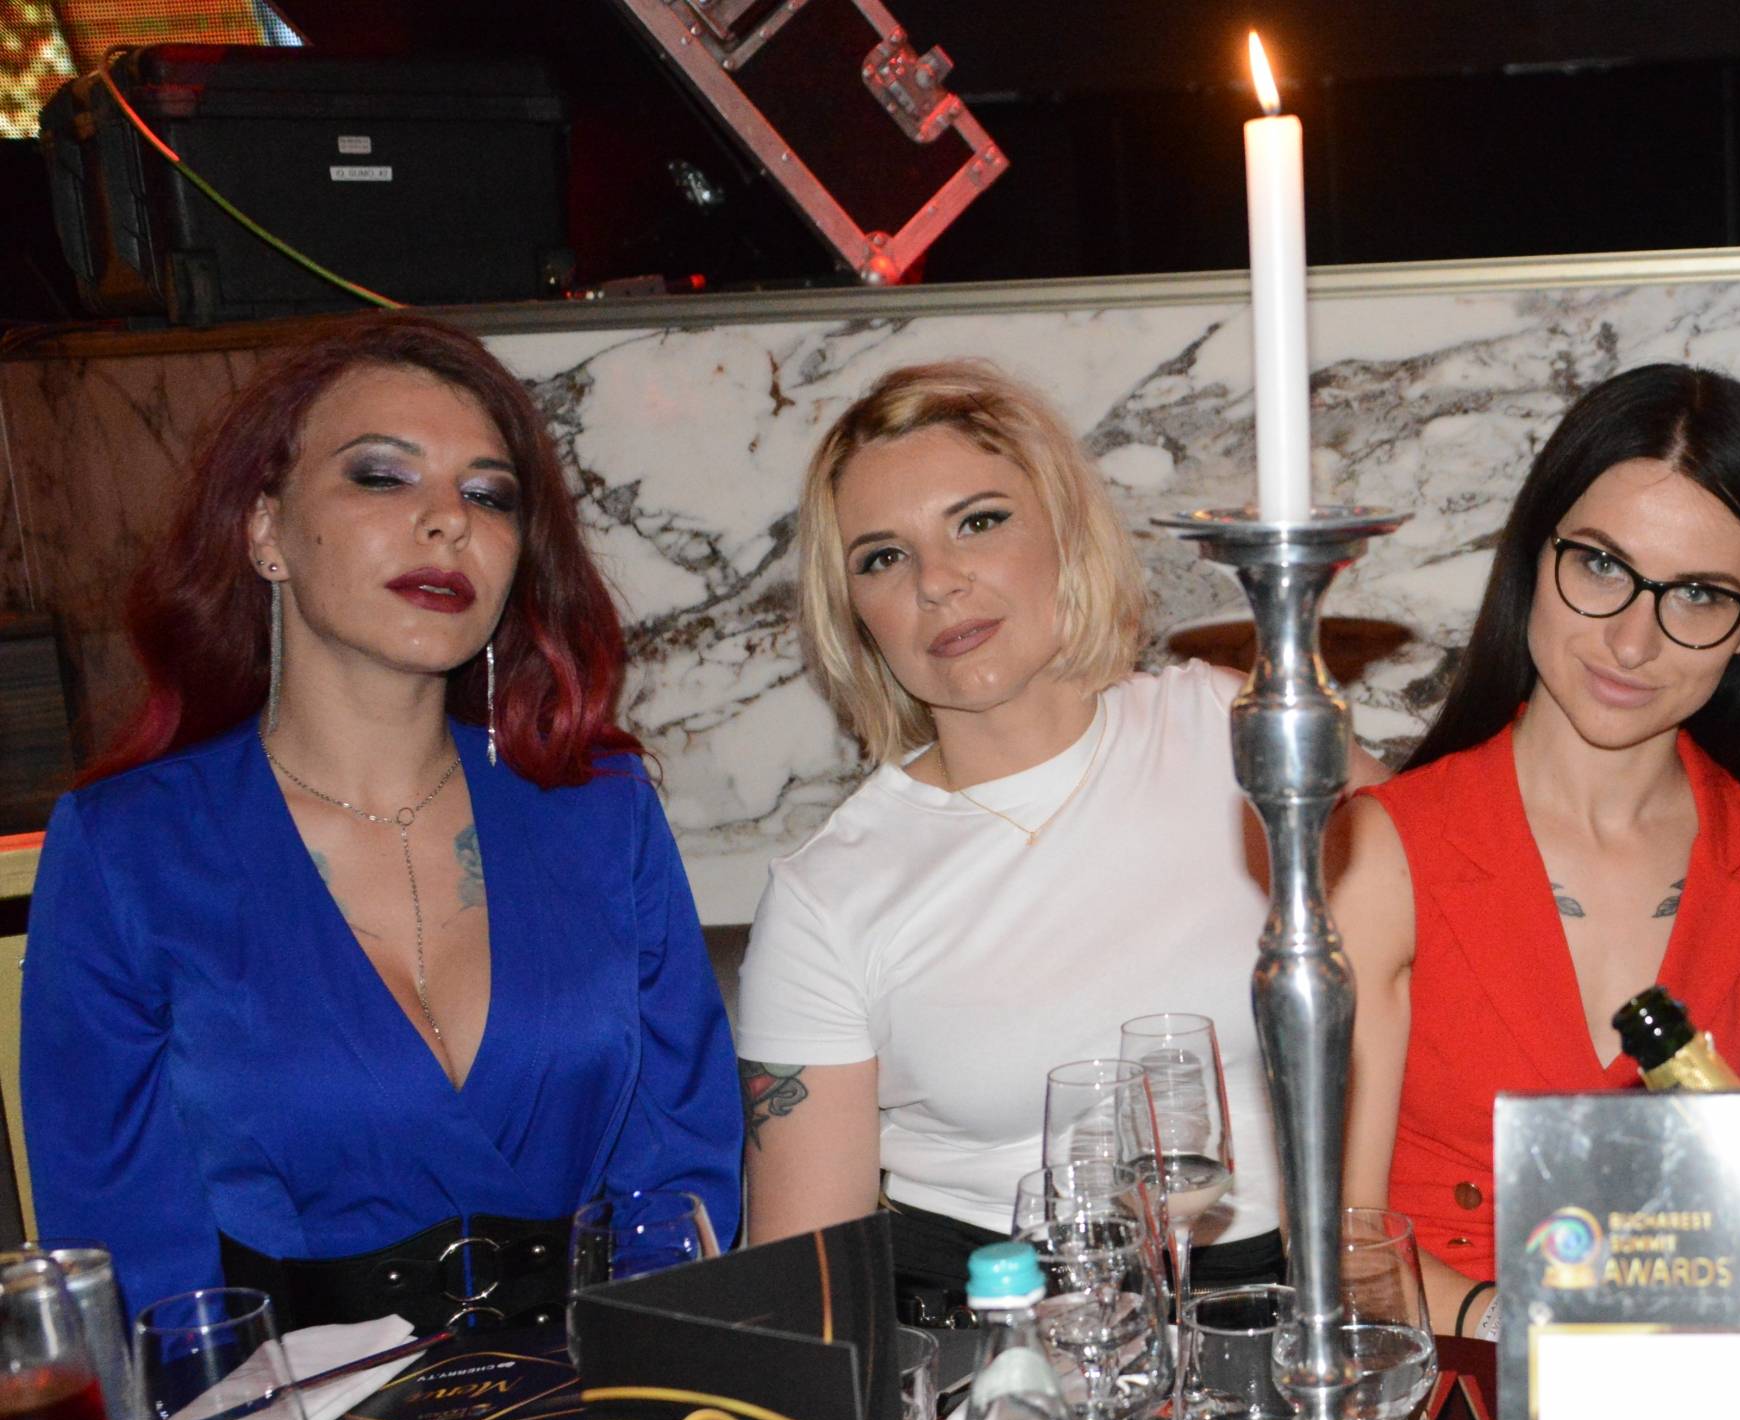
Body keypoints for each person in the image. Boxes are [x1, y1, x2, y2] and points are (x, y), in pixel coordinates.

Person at [24, 316, 740, 1329]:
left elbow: (681, 1168)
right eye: (381, 476)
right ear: (264, 530)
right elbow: (127, 1262)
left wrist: (657, 1393)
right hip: (282, 1412)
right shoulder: (127, 852)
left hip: (600, 1390)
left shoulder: (601, 810)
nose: (447, 521)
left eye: (488, 495)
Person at [734, 359, 1339, 1299]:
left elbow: (1440, 912)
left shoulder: (1230, 729)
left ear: (1066, 529)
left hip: (1275, 1305)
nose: (938, 583)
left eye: (978, 522)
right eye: (883, 558)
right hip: (992, 1330)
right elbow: (801, 1293)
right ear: (853, 614)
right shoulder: (827, 895)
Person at [1334, 363, 1740, 1339]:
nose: (1634, 642)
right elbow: (1341, 1243)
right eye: (1601, 566)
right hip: (1441, 1387)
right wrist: (1525, 1335)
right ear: (1536, 551)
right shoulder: (1388, 849)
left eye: (1698, 594)